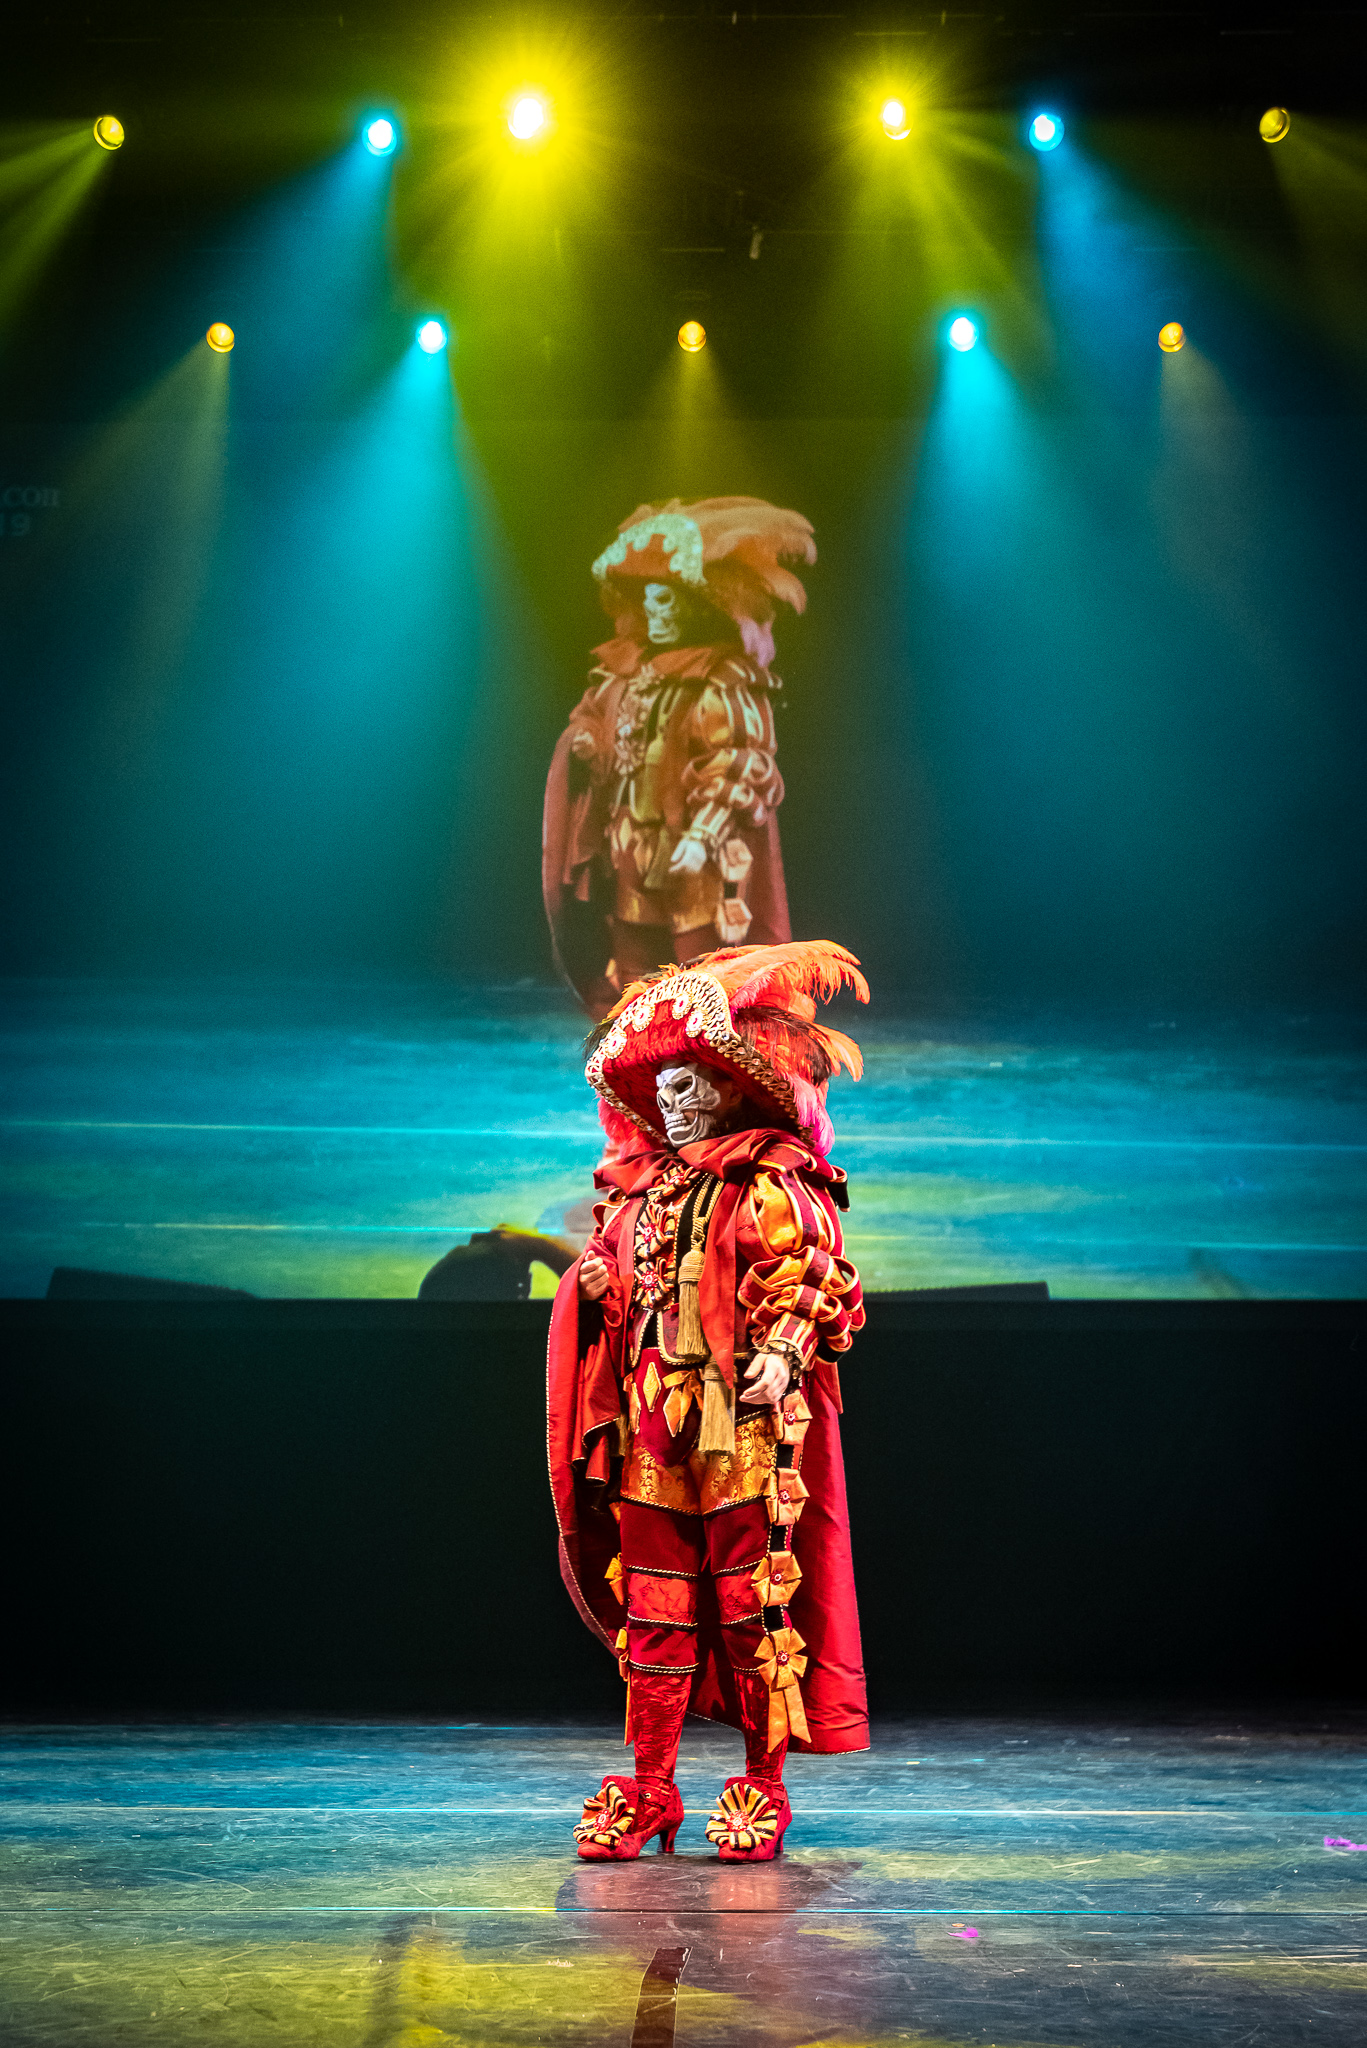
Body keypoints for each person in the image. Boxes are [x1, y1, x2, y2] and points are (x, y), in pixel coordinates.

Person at [546, 939, 870, 1862]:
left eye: (688, 1085)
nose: (672, 1104)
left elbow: (814, 1272)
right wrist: (598, 1285)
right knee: (654, 1608)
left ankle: (762, 1780)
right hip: (652, 1422)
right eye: (662, 1090)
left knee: (750, 1603)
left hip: (744, 1424)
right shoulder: (642, 1194)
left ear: (731, 1089)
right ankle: (651, 1785)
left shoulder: (771, 1178)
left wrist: (782, 1350)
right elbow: (614, 1276)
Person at [543, 497, 815, 1019]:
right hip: (628, 843)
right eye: (647, 601)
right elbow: (594, 722)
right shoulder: (623, 674)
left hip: (695, 853)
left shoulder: (719, 678)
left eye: (666, 600)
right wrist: (587, 743)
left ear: (694, 605)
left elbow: (740, 762)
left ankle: (708, 1063)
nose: (655, 612)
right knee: (634, 969)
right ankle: (642, 1060)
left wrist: (702, 834)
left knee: (705, 972)